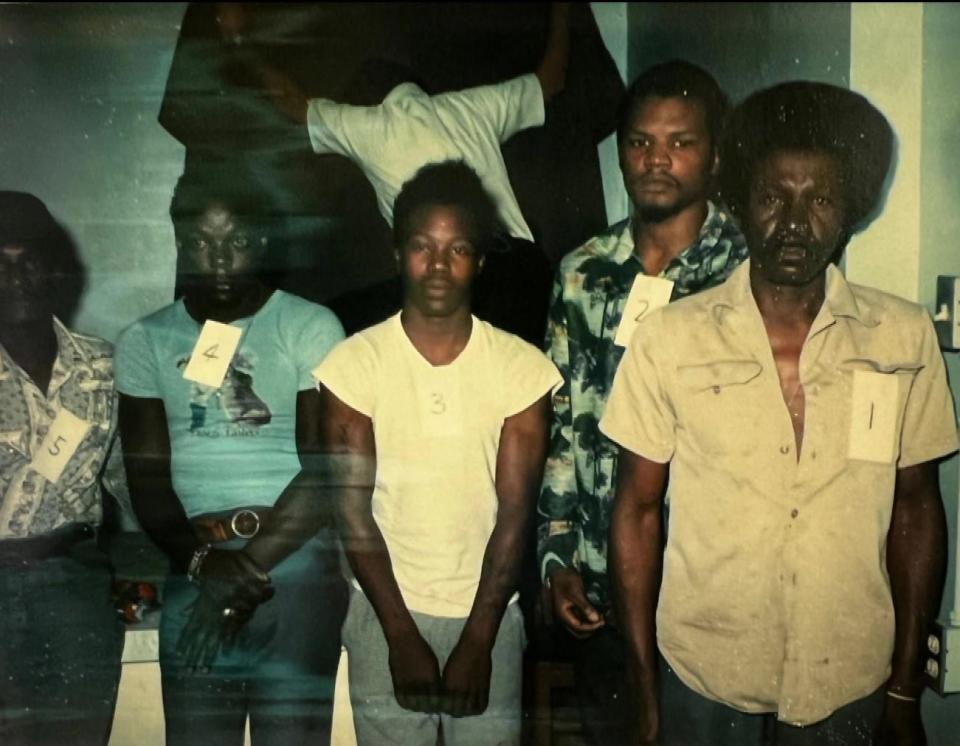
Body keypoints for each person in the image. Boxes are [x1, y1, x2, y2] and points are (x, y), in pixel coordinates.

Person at [602, 81, 959, 745]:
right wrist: (645, 686)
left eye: (819, 199)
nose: (794, 223)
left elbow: (916, 509)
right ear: (741, 206)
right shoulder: (671, 337)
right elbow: (636, 512)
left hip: (846, 678)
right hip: (704, 676)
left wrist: (905, 688)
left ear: (848, 208)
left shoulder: (902, 337)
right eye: (773, 197)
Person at [535, 59, 747, 743]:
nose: (657, 160)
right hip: (602, 587)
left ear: (714, 155)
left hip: (714, 591)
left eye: (681, 142)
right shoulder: (580, 271)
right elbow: (561, 427)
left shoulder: (749, 270)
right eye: (640, 142)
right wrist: (556, 555)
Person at [313, 160, 561, 745]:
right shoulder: (355, 363)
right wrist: (399, 636)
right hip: (384, 609)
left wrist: (479, 640)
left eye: (458, 249)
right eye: (423, 246)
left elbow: (514, 515)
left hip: (489, 612)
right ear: (399, 252)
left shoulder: (520, 368)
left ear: (479, 258)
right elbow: (352, 514)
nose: (439, 266)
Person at [115, 169, 348, 745]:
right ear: (177, 241)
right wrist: (204, 568)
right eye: (199, 242)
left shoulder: (309, 325)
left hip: (292, 564)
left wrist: (240, 574)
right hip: (197, 562)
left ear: (263, 241)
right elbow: (148, 482)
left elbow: (324, 473)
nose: (218, 260)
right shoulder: (144, 341)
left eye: (237, 242)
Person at [250, 2, 576, 343]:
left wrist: (238, 42)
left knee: (337, 321)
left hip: (470, 288)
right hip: (527, 273)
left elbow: (291, 103)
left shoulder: (372, 123)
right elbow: (550, 80)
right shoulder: (473, 106)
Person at [0, 192, 124, 745]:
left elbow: (130, 480)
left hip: (76, 593)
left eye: (29, 261)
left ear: (56, 270)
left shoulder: (102, 366)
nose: (16, 277)